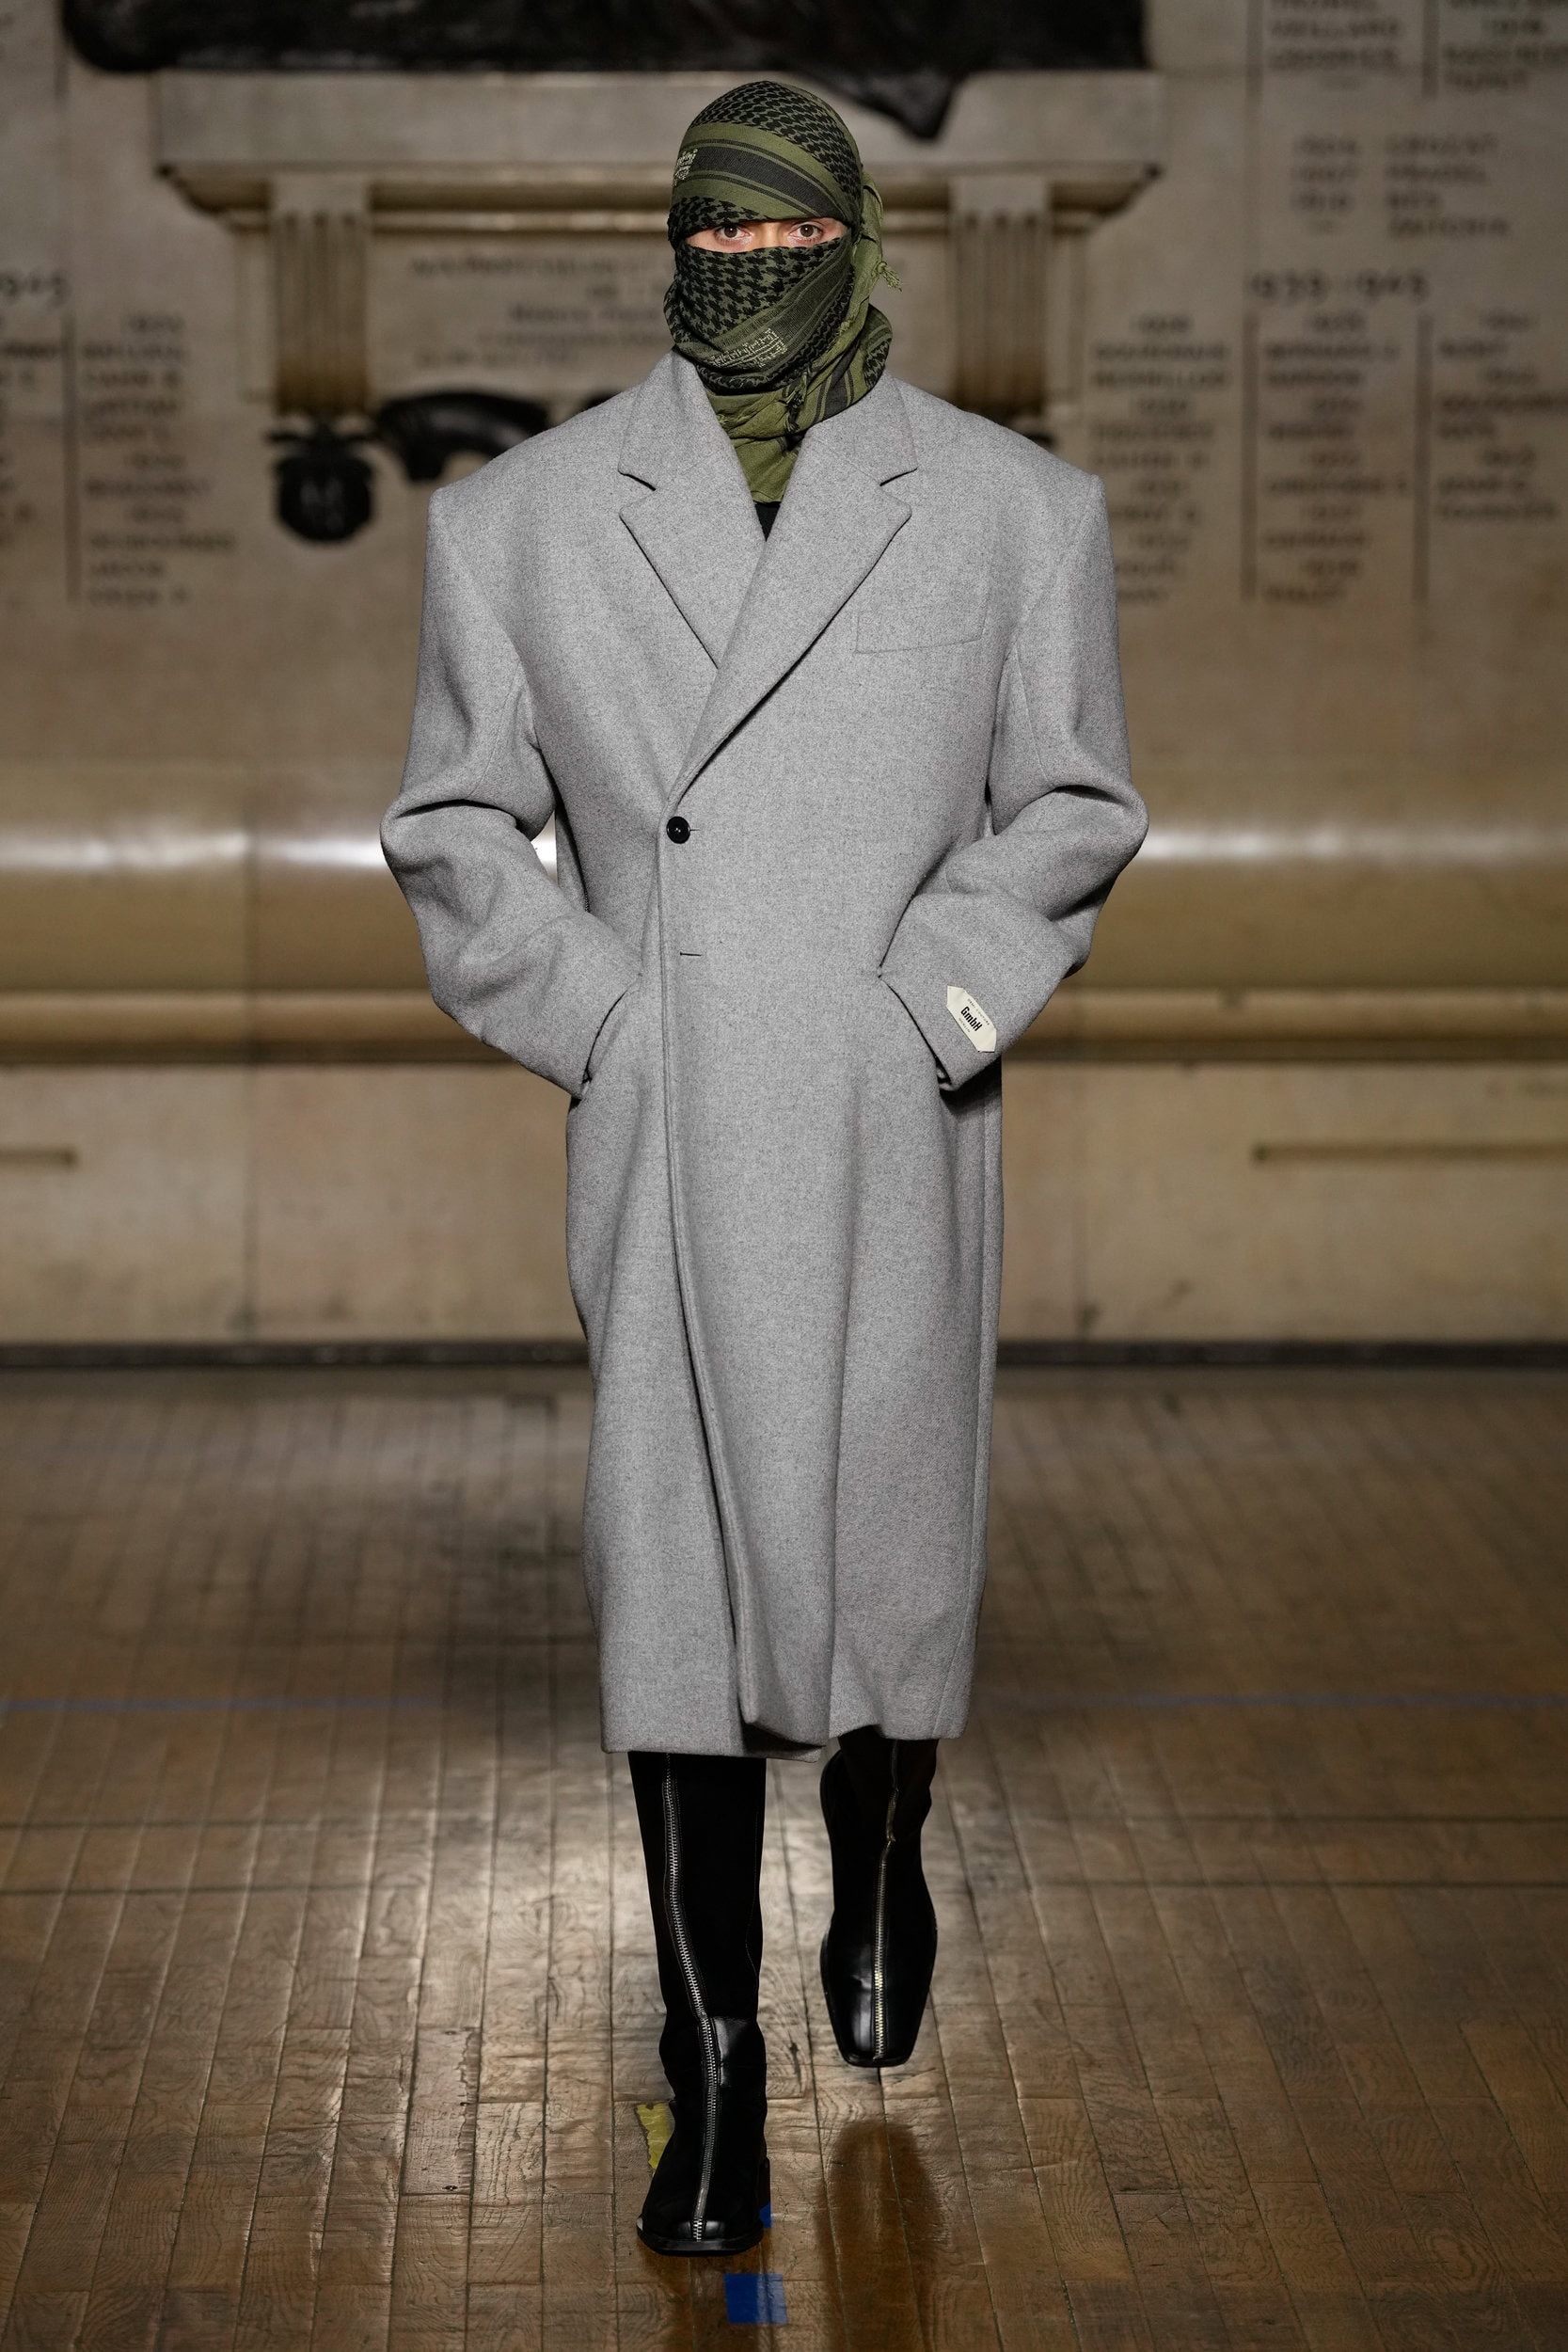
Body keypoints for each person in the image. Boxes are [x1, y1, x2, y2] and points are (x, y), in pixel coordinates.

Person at [383, 79, 1147, 2260]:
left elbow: (1073, 801)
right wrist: (610, 1021)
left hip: (893, 1119)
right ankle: (712, 2065)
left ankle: (886, 1839)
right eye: (705, 240)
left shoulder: (1011, 511)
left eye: (782, 243)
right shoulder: (525, 519)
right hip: (675, 1132)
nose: (741, 275)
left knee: (888, 1570)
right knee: (680, 1597)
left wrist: (932, 1008)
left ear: (855, 245)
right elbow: (453, 825)